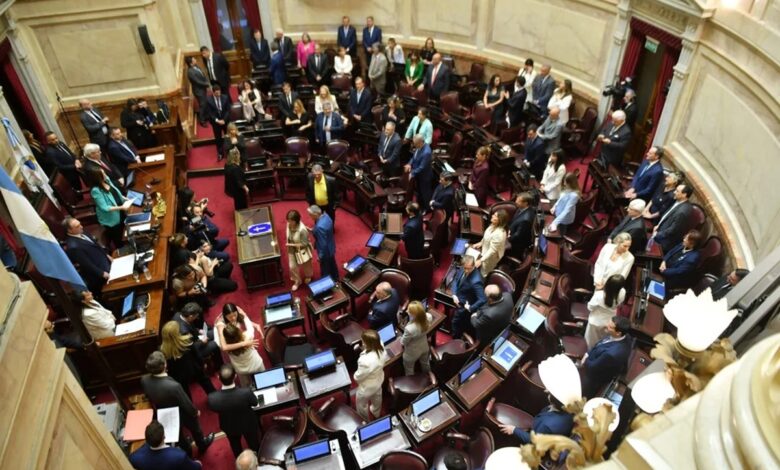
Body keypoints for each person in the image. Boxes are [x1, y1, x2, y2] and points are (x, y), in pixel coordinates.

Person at [141, 351, 215, 456]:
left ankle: (187, 451)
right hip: (182, 413)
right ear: (164, 365)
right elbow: (185, 402)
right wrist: (195, 412)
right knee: (196, 429)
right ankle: (202, 445)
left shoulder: (144, 379)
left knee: (179, 436)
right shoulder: (173, 386)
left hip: (163, 411)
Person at [207, 364, 260, 459]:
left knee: (235, 446)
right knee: (254, 445)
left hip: (229, 426)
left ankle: (240, 461)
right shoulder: (246, 392)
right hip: (248, 423)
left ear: (218, 377)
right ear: (235, 376)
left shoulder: (212, 398)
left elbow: (214, 409)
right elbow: (255, 403)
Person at [160, 320, 216, 397]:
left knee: (184, 391)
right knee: (205, 381)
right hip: (194, 368)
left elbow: (169, 366)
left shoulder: (163, 349)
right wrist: (203, 364)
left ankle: (189, 403)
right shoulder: (186, 341)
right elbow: (197, 355)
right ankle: (214, 396)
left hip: (179, 375)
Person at [580, 316, 632, 397]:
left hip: (593, 378)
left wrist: (585, 359)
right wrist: (588, 353)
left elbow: (592, 368)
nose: (606, 326)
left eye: (610, 327)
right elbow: (600, 344)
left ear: (618, 333)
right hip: (596, 358)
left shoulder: (612, 354)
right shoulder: (625, 336)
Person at [63, 216, 112, 296]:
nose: (81, 226)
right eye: (77, 226)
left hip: (105, 261)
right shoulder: (73, 247)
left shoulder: (81, 232)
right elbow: (86, 264)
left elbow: (96, 244)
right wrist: (102, 273)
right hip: (100, 273)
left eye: (80, 224)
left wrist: (107, 255)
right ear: (70, 230)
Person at [499, 393, 574, 444]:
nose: (546, 391)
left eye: (550, 393)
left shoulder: (546, 426)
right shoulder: (571, 410)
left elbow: (534, 441)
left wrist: (514, 430)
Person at [87, 167, 132, 250]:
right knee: (118, 237)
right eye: (103, 174)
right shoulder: (95, 190)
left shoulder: (106, 180)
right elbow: (104, 207)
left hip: (120, 211)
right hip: (111, 218)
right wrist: (121, 207)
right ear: (97, 177)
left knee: (125, 229)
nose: (105, 174)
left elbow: (115, 192)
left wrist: (124, 198)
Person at [129, 420, 202, 470]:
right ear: (164, 437)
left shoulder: (134, 458)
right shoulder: (179, 456)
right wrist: (198, 463)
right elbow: (196, 467)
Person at [174, 302, 222, 367]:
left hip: (196, 336)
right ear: (191, 316)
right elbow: (191, 347)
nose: (197, 318)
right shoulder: (184, 332)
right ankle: (219, 366)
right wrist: (202, 342)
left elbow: (191, 326)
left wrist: (198, 330)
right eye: (196, 316)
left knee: (215, 332)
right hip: (195, 350)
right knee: (215, 344)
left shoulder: (178, 314)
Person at [584, 275, 626, 348]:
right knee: (603, 342)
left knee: (590, 343)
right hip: (609, 322)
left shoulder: (599, 295)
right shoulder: (623, 292)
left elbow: (590, 307)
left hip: (596, 322)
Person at [451, 255, 487, 339]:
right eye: (465, 268)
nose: (466, 271)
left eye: (469, 268)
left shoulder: (476, 281)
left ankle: (455, 340)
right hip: (458, 298)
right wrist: (454, 294)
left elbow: (482, 299)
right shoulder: (462, 268)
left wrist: (470, 308)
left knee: (455, 323)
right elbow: (456, 280)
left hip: (465, 306)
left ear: (474, 266)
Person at [354, 329, 387, 420]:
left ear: (366, 344)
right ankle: (376, 412)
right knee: (377, 397)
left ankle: (364, 419)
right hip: (379, 380)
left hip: (367, 387)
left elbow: (358, 376)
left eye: (363, 341)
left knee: (361, 404)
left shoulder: (364, 361)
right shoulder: (381, 346)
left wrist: (355, 376)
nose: (362, 343)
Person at [651, 183, 693, 252]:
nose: (674, 192)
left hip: (664, 241)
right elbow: (667, 216)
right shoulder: (678, 201)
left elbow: (673, 230)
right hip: (659, 230)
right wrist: (658, 225)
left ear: (684, 195)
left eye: (677, 191)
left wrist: (657, 234)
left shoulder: (682, 211)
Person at [401, 300, 433, 375]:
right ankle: (429, 376)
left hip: (412, 353)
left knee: (409, 369)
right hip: (424, 347)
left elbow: (403, 342)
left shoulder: (409, 329)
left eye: (409, 311)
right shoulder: (428, 317)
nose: (407, 311)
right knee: (426, 364)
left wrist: (401, 338)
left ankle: (411, 381)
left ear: (414, 315)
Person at [285, 209, 313, 291]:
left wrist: (291, 244)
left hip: (303, 250)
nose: (289, 222)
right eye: (288, 220)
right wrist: (291, 245)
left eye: (291, 221)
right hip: (292, 250)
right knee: (292, 267)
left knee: (306, 265)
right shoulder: (288, 224)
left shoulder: (302, 230)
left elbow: (305, 244)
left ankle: (308, 276)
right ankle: (297, 281)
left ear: (296, 221)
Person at [308, 205, 338, 281]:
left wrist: (320, 256)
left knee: (325, 269)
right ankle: (336, 278)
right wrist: (312, 230)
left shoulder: (319, 227)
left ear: (315, 214)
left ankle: (327, 284)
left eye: (310, 215)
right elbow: (325, 231)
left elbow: (323, 244)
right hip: (331, 247)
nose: (310, 216)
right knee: (332, 264)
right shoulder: (326, 216)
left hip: (325, 252)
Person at [474, 210, 508, 276]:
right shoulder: (492, 225)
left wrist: (481, 260)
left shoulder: (499, 234)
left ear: (500, 220)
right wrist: (481, 243)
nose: (492, 216)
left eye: (495, 216)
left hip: (491, 258)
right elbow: (486, 236)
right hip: (484, 251)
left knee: (483, 273)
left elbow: (492, 250)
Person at [405, 134, 433, 209]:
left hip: (424, 177)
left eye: (415, 143)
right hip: (418, 175)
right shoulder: (419, 146)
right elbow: (414, 157)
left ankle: (427, 209)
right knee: (419, 192)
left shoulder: (426, 152)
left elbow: (422, 167)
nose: (413, 145)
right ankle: (420, 205)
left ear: (420, 142)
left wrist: (412, 173)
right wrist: (409, 164)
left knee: (425, 194)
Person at [508, 192, 536, 258]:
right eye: (516, 200)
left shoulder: (526, 219)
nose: (516, 202)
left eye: (518, 201)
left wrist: (507, 239)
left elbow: (518, 236)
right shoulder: (523, 208)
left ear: (525, 203)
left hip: (515, 244)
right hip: (511, 232)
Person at [206, 85, 231, 158]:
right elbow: (209, 113)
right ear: (213, 93)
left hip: (225, 121)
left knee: (228, 136)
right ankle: (220, 153)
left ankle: (229, 151)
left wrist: (224, 120)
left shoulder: (225, 97)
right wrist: (217, 120)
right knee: (218, 138)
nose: (218, 95)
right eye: (216, 93)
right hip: (216, 122)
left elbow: (228, 110)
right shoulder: (208, 100)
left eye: (219, 93)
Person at [185, 56, 211, 126]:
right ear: (191, 64)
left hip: (202, 89)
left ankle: (206, 116)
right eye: (194, 60)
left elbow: (202, 75)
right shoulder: (190, 72)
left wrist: (206, 81)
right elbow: (197, 81)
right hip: (198, 91)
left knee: (204, 103)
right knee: (202, 105)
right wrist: (207, 84)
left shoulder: (196, 66)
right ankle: (202, 120)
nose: (195, 60)